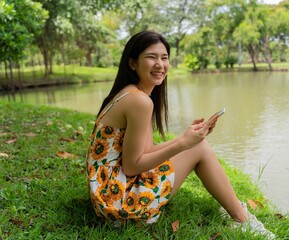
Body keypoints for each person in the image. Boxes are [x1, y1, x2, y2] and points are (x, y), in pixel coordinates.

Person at [86, 30, 275, 238]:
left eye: (164, 58)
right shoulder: (139, 101)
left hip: (107, 194)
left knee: (196, 145)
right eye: (151, 57)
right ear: (132, 63)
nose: (160, 64)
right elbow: (132, 167)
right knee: (199, 148)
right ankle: (242, 220)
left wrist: (184, 138)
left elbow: (145, 152)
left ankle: (237, 211)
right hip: (118, 203)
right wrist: (183, 144)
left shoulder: (131, 93)